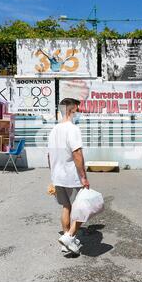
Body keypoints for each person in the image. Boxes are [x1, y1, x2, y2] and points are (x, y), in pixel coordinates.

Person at [47, 98, 90, 255]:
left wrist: (53, 174)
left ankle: (66, 241)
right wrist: (84, 177)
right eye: (77, 109)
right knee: (84, 208)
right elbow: (77, 154)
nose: (78, 113)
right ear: (73, 110)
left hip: (57, 176)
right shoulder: (73, 129)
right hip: (72, 177)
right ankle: (69, 236)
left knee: (67, 207)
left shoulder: (53, 130)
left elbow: (48, 155)